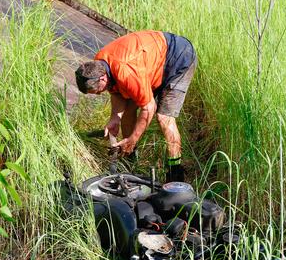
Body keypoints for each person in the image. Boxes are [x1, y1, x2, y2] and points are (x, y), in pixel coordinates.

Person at [75, 30, 196, 182]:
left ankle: (175, 174)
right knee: (128, 112)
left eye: (97, 91)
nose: (99, 94)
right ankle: (130, 163)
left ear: (102, 78)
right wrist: (114, 118)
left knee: (164, 118)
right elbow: (116, 91)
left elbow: (148, 108)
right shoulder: (98, 63)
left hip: (178, 57)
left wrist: (133, 139)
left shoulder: (125, 72)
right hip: (149, 64)